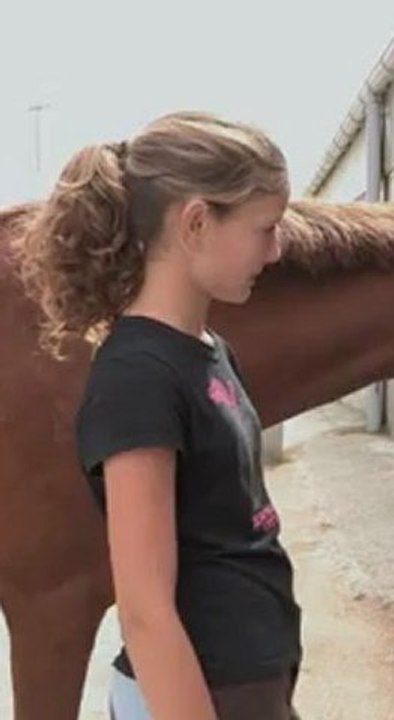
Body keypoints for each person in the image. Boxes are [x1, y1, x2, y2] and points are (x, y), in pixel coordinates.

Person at [17, 111, 301, 720]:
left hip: (246, 683)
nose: (276, 250)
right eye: (265, 228)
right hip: (198, 695)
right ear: (196, 222)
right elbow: (145, 613)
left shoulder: (209, 351)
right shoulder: (138, 378)